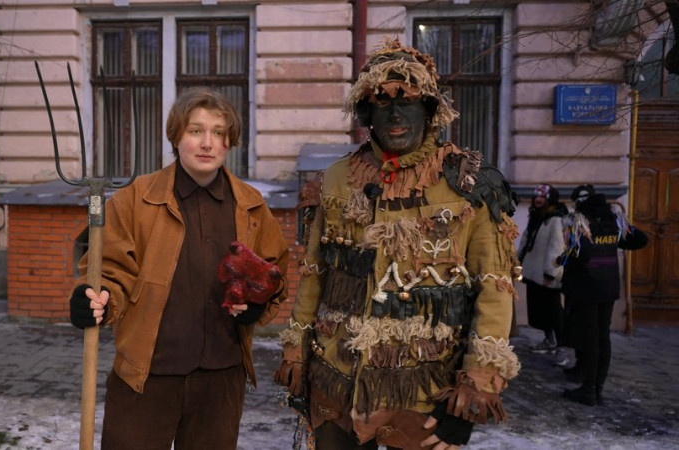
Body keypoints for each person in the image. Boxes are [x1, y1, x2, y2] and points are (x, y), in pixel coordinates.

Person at [274, 37, 521, 449]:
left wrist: (472, 395)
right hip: (337, 384)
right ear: (366, 112)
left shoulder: (470, 183)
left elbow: (495, 291)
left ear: (430, 109)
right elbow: (315, 274)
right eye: (382, 102)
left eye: (408, 101)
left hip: (424, 394)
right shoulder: (337, 179)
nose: (396, 114)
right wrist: (296, 356)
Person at [69, 87, 290, 449]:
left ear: (229, 142)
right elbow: (110, 270)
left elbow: (273, 271)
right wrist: (97, 298)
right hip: (146, 375)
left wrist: (257, 305)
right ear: (176, 136)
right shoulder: (134, 200)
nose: (207, 143)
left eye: (218, 132)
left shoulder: (250, 205)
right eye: (195, 131)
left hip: (221, 376)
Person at [560, 184, 648, 406]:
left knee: (590, 338)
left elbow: (576, 255)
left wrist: (563, 261)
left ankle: (588, 390)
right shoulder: (613, 219)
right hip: (608, 285)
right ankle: (597, 388)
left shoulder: (580, 221)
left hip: (586, 287)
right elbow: (641, 239)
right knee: (603, 336)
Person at [517, 184, 570, 366]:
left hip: (547, 274)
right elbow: (526, 241)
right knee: (539, 310)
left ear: (549, 200)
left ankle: (561, 347)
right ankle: (549, 340)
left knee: (554, 311)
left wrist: (550, 273)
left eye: (542, 197)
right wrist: (518, 262)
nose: (538, 200)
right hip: (533, 272)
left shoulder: (555, 219)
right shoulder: (537, 216)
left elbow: (557, 247)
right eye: (536, 197)